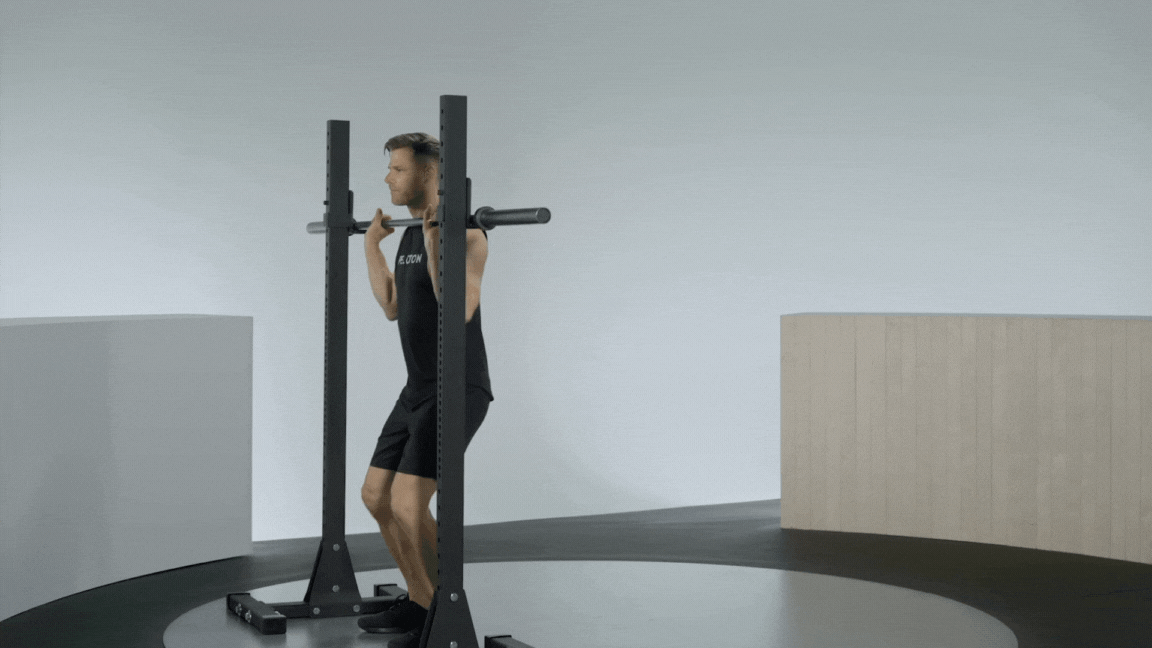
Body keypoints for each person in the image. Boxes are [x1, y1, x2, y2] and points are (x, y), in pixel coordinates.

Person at [356, 132, 493, 646]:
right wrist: (372, 245)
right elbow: (392, 303)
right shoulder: (414, 231)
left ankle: (445, 607)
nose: (388, 179)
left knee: (411, 505)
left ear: (430, 174)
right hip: (417, 386)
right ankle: (420, 601)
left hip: (459, 386)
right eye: (390, 169)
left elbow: (454, 308)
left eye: (397, 169)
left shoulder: (469, 234)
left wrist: (438, 239)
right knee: (376, 496)